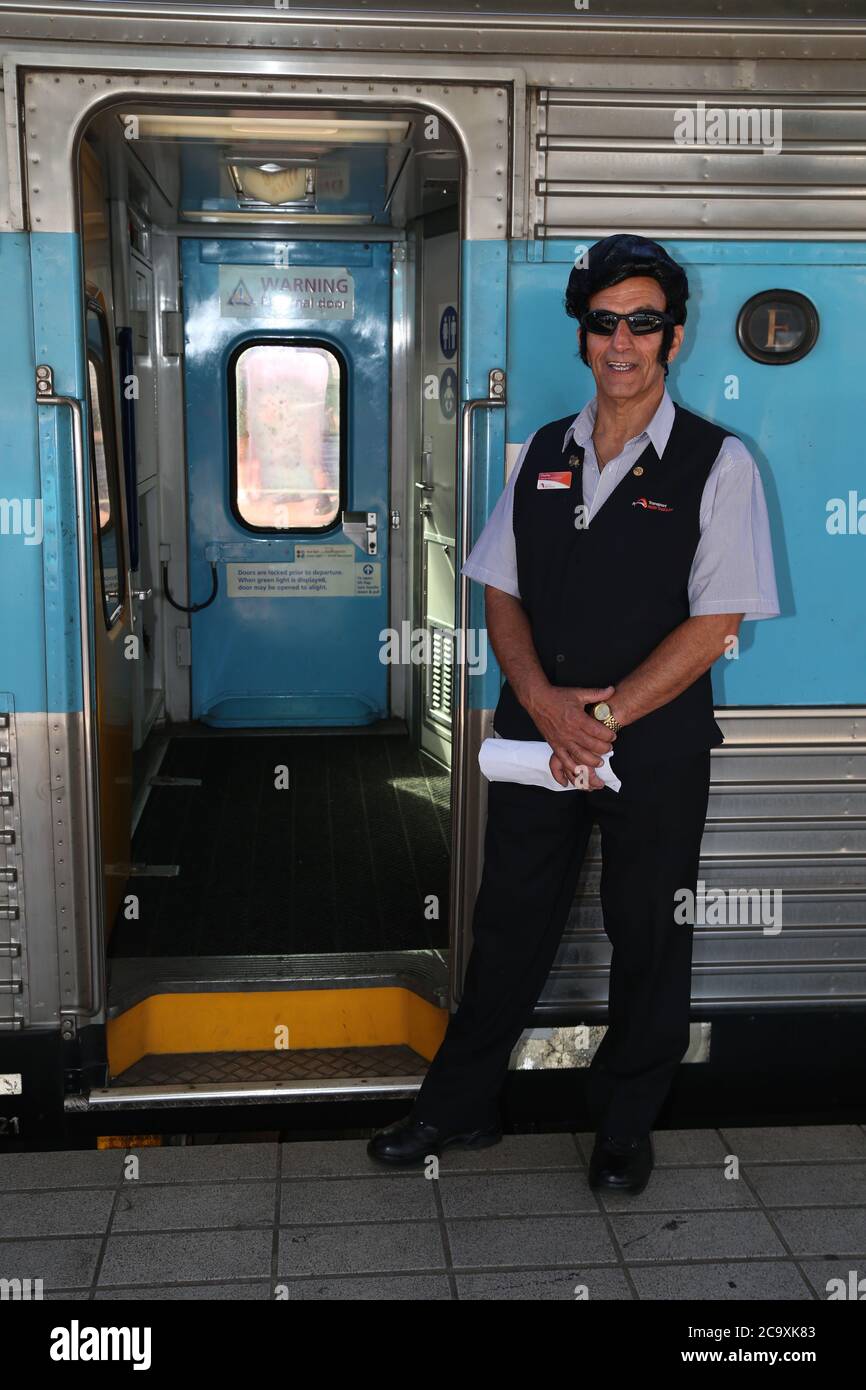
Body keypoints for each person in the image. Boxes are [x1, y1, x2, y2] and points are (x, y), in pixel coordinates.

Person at [368, 234, 780, 1193]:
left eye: (642, 322)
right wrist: (547, 707)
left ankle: (625, 1128)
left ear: (673, 338)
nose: (622, 341)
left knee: (649, 933)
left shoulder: (720, 465)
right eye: (605, 323)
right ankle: (458, 1107)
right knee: (508, 923)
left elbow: (716, 618)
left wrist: (603, 717)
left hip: (655, 748)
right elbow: (500, 591)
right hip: (536, 739)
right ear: (584, 337)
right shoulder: (543, 451)